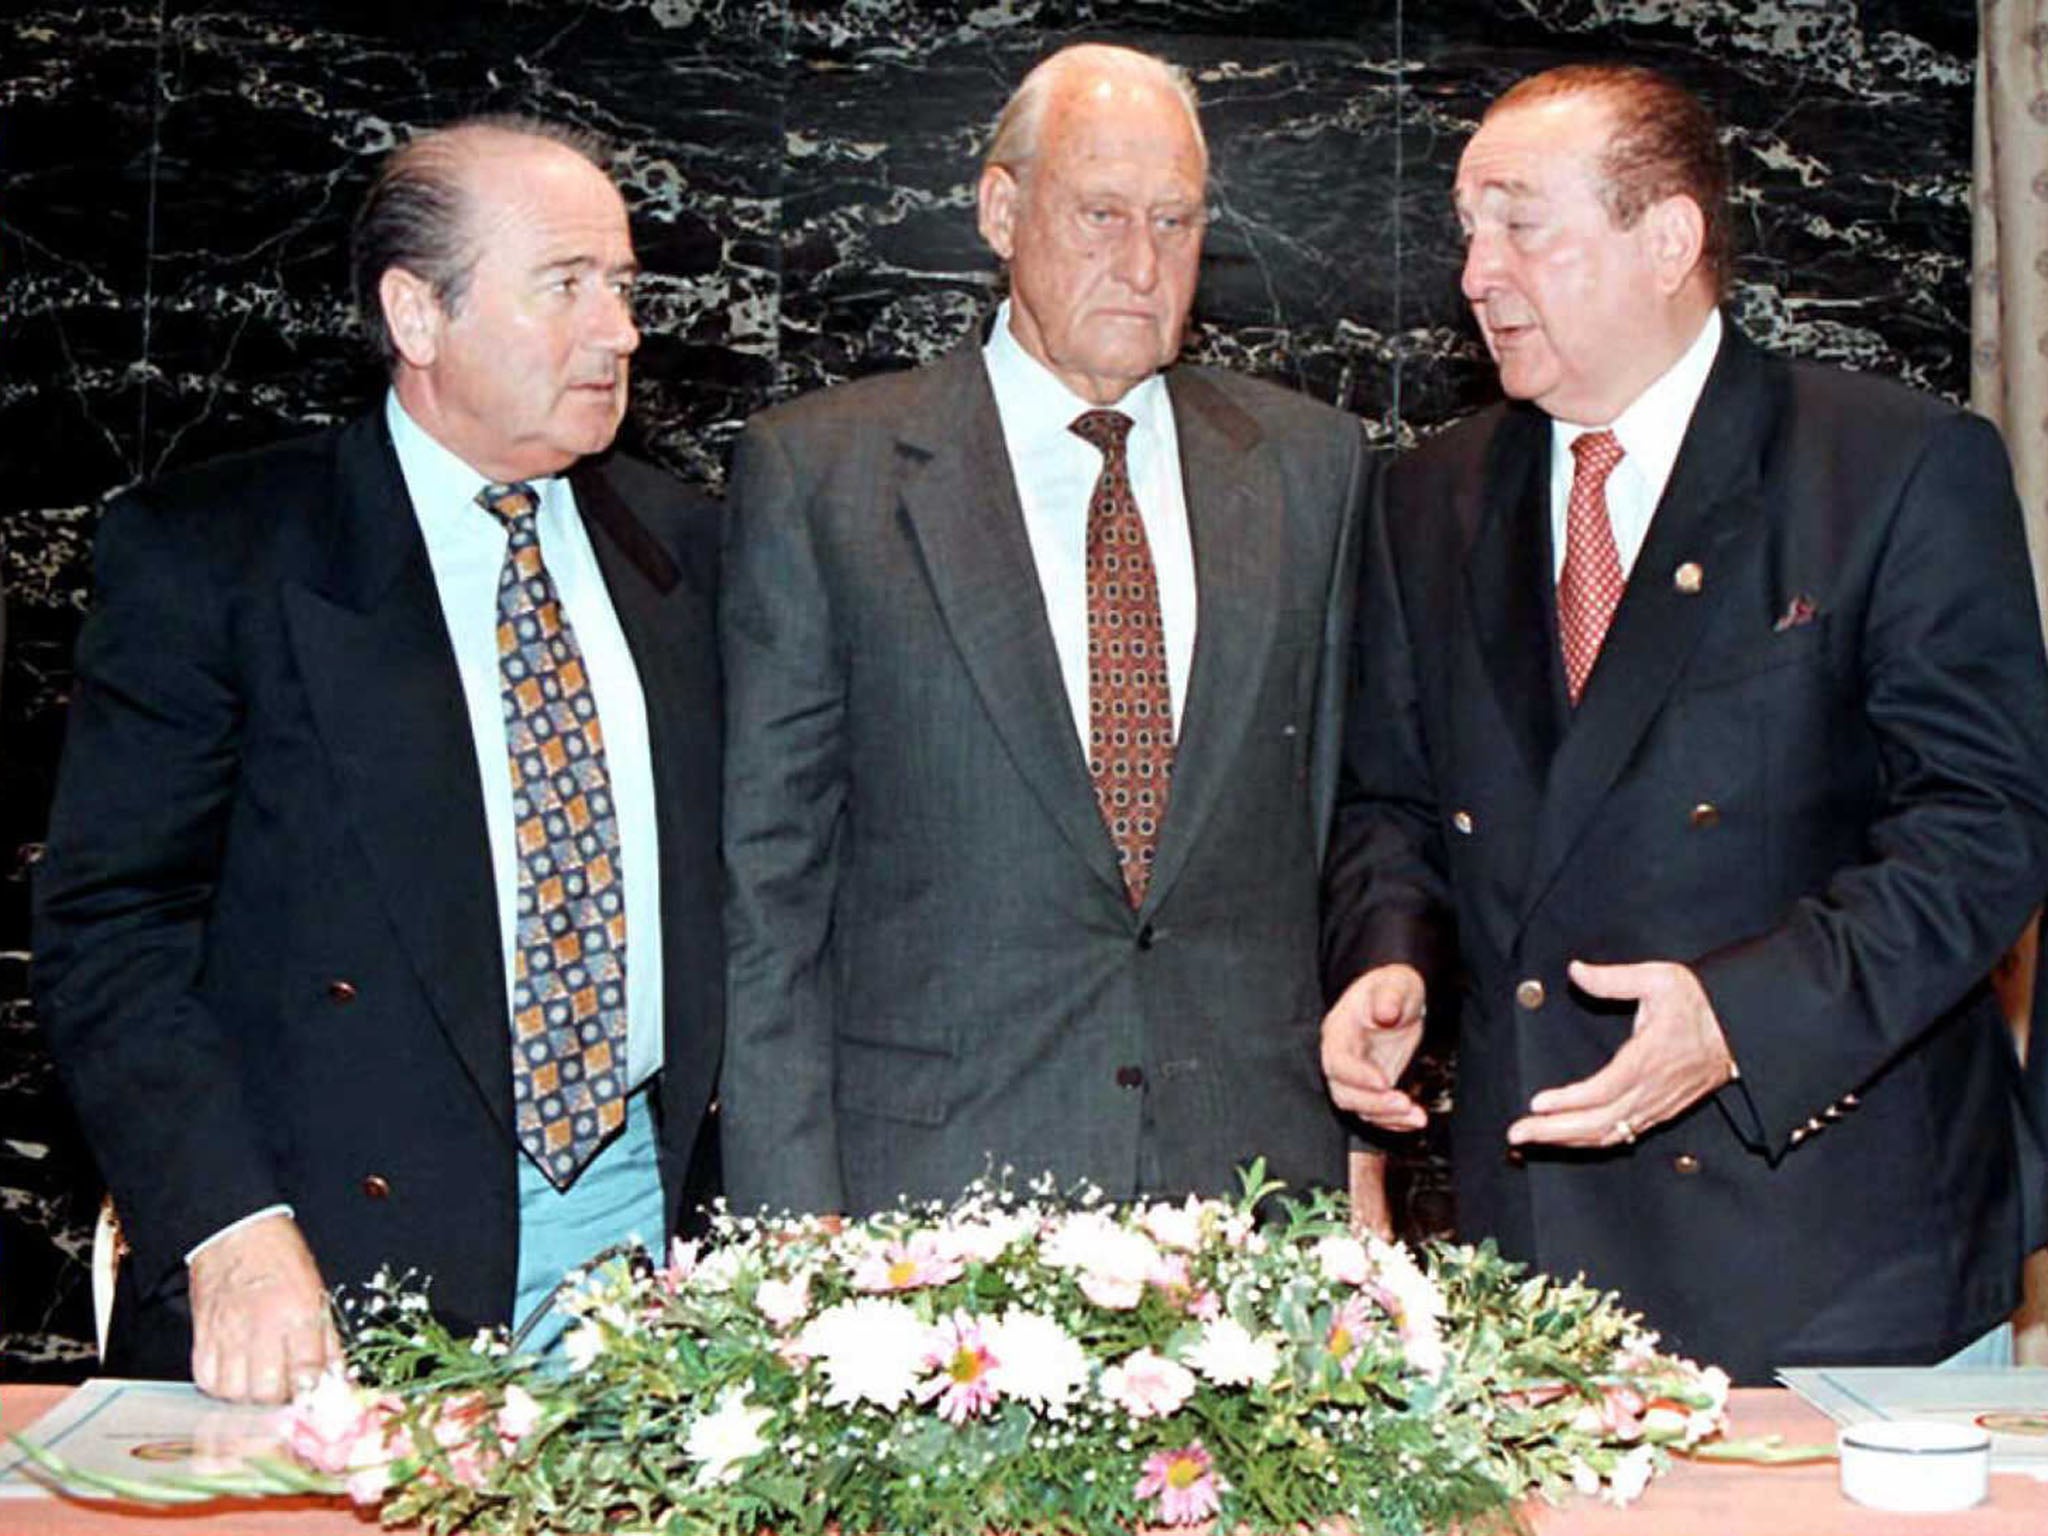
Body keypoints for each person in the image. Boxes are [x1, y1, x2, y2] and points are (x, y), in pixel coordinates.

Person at [1320, 63, 2048, 1383]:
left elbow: (1987, 826)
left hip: (1836, 1257)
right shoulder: (1427, 497)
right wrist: (1392, 963)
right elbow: (1395, 805)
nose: (1478, 272)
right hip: (1530, 1264)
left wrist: (1746, 1017)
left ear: (1668, 241)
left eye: (1521, 224)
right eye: (1466, 230)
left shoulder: (1890, 466)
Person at [33, 117, 723, 1401]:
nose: (620, 331)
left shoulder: (694, 552)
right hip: (326, 1262)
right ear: (416, 314)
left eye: (623, 288)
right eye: (566, 287)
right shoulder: (218, 554)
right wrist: (228, 1228)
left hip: (650, 1257)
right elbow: (110, 931)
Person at [720, 43, 1367, 1218]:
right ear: (1000, 210)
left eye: (1175, 223)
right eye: (1101, 215)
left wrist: (1361, 1153)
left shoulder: (1308, 469)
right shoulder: (825, 475)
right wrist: (782, 1220)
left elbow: (1336, 822)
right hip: (934, 1196)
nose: (1140, 264)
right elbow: (770, 887)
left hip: (1246, 1186)